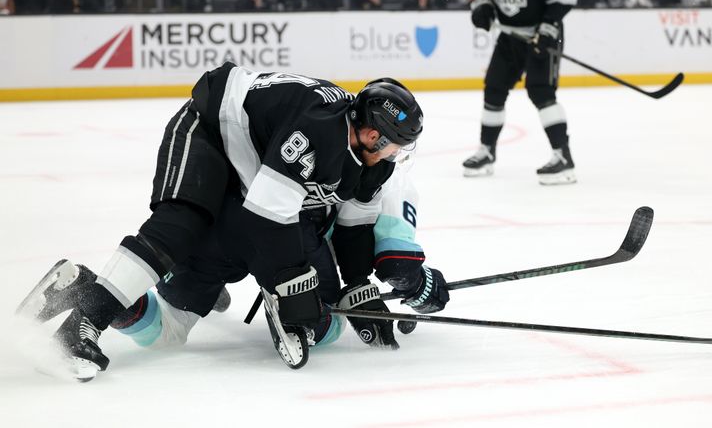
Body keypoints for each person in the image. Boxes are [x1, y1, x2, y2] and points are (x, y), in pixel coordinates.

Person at [16, 67, 424, 380]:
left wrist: (357, 287)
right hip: (209, 129)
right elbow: (269, 215)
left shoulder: (368, 160)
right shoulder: (319, 130)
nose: (397, 155)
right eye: (395, 145)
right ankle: (81, 326)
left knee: (168, 333)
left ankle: (78, 286)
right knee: (180, 224)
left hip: (245, 168)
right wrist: (291, 285)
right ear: (371, 134)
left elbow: (353, 229)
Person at [105, 147, 447, 355]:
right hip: (288, 242)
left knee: (168, 326)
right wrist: (419, 287)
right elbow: (397, 264)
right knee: (329, 328)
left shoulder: (312, 132)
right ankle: (292, 309)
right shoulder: (390, 177)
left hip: (214, 218)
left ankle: (107, 301)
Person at [464, 0, 578, 185]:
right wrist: (482, 7)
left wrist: (548, 30)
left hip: (541, 35)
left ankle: (563, 158)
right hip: (510, 36)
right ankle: (487, 151)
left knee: (540, 92)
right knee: (493, 88)